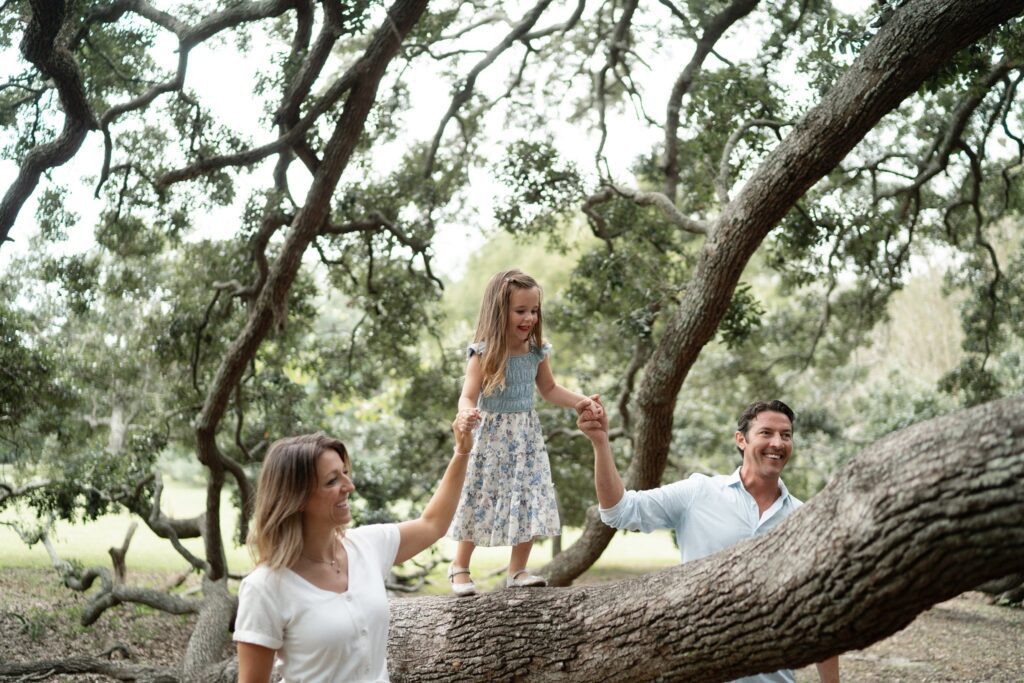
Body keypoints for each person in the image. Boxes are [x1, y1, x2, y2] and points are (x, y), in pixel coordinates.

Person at [577, 397, 840, 683]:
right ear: (741, 440)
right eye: (766, 433)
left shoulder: (804, 518)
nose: (778, 443)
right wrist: (601, 443)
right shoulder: (699, 493)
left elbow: (820, 612)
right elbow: (619, 511)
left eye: (786, 435)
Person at [234, 421, 473, 683]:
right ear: (297, 498)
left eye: (345, 473)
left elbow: (432, 524)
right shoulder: (265, 588)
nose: (349, 486)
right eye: (332, 480)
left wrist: (462, 451)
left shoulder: (367, 546)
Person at [447, 268, 603, 595]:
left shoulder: (536, 352)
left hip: (525, 438)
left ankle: (517, 571)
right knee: (479, 494)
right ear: (499, 311)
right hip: (490, 436)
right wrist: (465, 413)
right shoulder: (483, 352)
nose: (529, 317)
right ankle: (459, 565)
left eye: (534, 311)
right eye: (521, 311)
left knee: (529, 496)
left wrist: (581, 402)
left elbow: (549, 389)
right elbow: (467, 394)